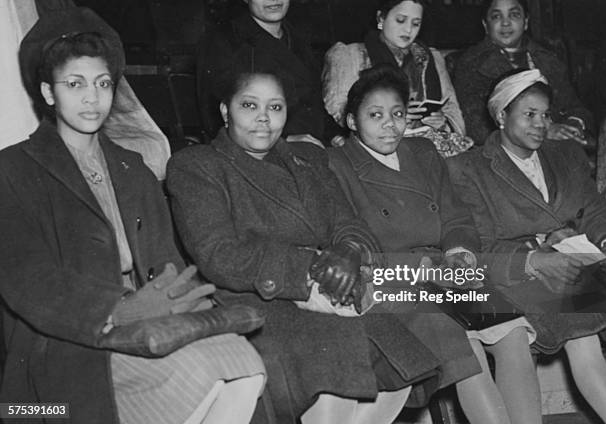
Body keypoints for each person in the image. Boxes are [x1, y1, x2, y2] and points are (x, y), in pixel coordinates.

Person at [1, 8, 265, 424]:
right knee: (206, 373)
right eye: (75, 84)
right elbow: (27, 279)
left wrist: (183, 304)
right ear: (48, 93)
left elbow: (167, 262)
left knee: (245, 364)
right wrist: (118, 309)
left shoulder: (132, 166)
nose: (92, 98)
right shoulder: (13, 170)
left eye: (103, 84)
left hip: (149, 324)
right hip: (72, 341)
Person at [166, 71, 446, 424]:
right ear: (225, 111)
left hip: (333, 292)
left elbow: (351, 226)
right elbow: (218, 254)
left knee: (401, 366)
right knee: (336, 370)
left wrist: (350, 252)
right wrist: (310, 269)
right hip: (257, 299)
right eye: (249, 106)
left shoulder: (307, 161)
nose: (264, 118)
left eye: (276, 107)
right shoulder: (197, 166)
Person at [329, 64, 541, 424]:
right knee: (466, 346)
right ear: (352, 121)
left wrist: (459, 254)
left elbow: (456, 219)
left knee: (513, 334)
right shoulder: (336, 164)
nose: (389, 125)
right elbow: (353, 244)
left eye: (397, 114)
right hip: (389, 283)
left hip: (445, 272)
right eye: (375, 115)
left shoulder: (423, 152)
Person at [448, 68, 606, 424]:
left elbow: (593, 209)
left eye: (545, 115)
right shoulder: (471, 169)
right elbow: (481, 244)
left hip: (577, 258)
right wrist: (538, 252)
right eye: (529, 115)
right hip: (521, 273)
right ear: (501, 116)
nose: (540, 124)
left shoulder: (564, 155)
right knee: (583, 336)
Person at [322, 0, 472, 157]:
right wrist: (394, 117)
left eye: (416, 24)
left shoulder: (430, 58)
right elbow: (341, 111)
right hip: (374, 145)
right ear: (381, 18)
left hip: (427, 145)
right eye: (400, 20)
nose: (408, 30)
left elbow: (453, 111)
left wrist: (442, 122)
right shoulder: (350, 56)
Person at [453, 0, 593, 146]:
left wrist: (574, 124)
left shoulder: (547, 58)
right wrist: (544, 131)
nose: (505, 23)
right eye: (496, 16)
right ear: (485, 25)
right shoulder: (471, 64)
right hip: (507, 151)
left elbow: (575, 106)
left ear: (526, 22)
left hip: (560, 146)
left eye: (514, 15)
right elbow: (478, 128)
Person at [196, 0, 333, 145]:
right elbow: (213, 115)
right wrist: (283, 140)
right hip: (259, 148)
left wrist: (335, 136)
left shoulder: (299, 38)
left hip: (316, 143)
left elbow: (315, 103)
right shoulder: (223, 40)